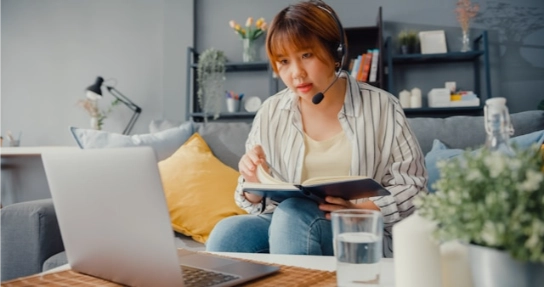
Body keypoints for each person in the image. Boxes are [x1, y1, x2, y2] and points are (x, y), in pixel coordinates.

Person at [206, 0, 427, 257]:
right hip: (285, 225)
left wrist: (361, 211)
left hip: (357, 229)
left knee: (292, 217)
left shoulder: (382, 106)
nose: (296, 73)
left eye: (306, 56)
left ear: (335, 53)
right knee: (227, 234)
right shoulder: (270, 111)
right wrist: (253, 181)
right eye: (284, 61)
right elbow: (251, 202)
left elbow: (414, 187)